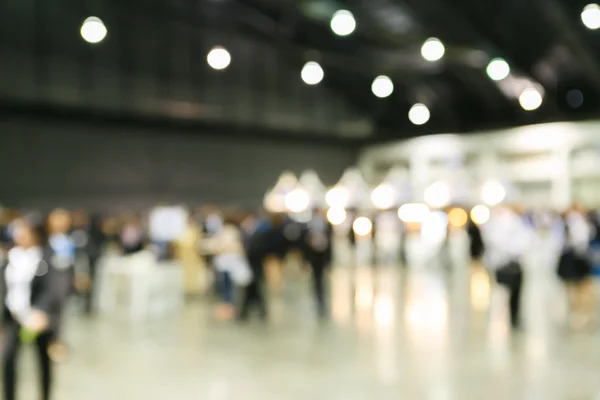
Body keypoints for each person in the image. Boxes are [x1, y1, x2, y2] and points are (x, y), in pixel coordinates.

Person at [2, 215, 61, 400]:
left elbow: (51, 288)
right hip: (14, 317)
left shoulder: (45, 257)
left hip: (37, 318)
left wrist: (41, 312)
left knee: (43, 362)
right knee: (8, 360)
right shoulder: (11, 256)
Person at [481, 205, 530, 329]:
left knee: (512, 293)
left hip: (513, 263)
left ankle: (513, 318)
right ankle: (506, 317)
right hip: (503, 263)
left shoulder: (515, 223)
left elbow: (525, 241)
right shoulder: (500, 224)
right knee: (503, 293)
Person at [239, 213, 288, 321]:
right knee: (254, 287)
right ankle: (251, 311)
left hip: (259, 262)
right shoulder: (265, 231)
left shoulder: (267, 232)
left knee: (254, 287)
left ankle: (247, 311)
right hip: (256, 263)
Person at [557, 207, 595, 329]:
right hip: (573, 259)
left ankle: (583, 314)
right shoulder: (571, 225)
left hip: (577, 259)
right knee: (574, 288)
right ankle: (577, 313)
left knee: (581, 288)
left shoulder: (578, 224)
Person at [300, 209, 333, 317]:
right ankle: (318, 296)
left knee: (320, 278)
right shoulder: (309, 228)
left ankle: (321, 296)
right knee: (317, 278)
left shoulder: (325, 226)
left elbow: (329, 245)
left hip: (321, 257)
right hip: (314, 257)